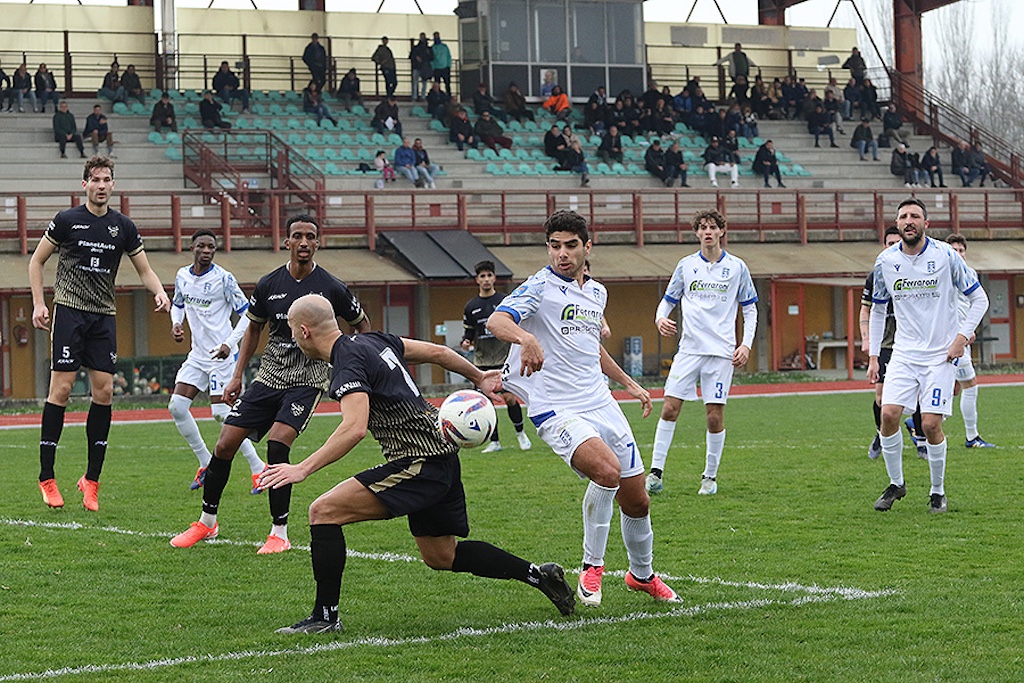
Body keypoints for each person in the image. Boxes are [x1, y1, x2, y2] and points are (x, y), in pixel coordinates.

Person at [259, 294, 575, 634]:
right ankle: (539, 575)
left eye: (291, 331)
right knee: (442, 556)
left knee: (323, 511)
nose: (292, 337)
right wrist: (479, 376)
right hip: (441, 456)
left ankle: (325, 616)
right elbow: (438, 353)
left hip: (419, 462)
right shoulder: (373, 340)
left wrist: (301, 468)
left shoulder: (347, 361)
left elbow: (354, 428)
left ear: (304, 331)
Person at [486, 210, 681, 608]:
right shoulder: (538, 287)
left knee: (638, 499)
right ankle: (592, 566)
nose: (562, 254)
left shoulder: (597, 293)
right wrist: (525, 337)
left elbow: (591, 349)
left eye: (570, 246)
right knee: (606, 472)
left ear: (586, 248)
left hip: (600, 402)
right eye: (555, 246)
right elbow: (497, 319)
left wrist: (629, 384)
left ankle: (641, 576)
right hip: (556, 408)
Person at [170, 214, 371, 553]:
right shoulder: (269, 284)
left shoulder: (332, 286)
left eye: (310, 236)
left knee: (278, 444)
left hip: (308, 377)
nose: (304, 242)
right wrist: (237, 375)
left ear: (318, 243)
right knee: (224, 446)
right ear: (287, 242)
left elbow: (362, 325)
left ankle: (279, 532)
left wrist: (353, 366)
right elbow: (253, 329)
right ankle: (207, 523)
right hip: (269, 374)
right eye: (297, 236)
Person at [30, 156, 171, 511]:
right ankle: (47, 477)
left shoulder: (122, 226)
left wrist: (159, 291)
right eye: (95, 179)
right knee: (61, 390)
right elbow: (36, 261)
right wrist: (38, 303)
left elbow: (145, 269)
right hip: (69, 311)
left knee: (104, 392)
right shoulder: (67, 221)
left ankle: (91, 481)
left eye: (107, 179)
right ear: (84, 185)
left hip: (103, 316)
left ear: (113, 184)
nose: (102, 185)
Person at [867, 198, 989, 514]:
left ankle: (937, 491)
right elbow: (878, 311)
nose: (909, 221)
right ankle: (896, 484)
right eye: (903, 216)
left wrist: (961, 339)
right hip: (904, 354)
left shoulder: (946, 256)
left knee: (931, 423)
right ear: (897, 224)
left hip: (939, 357)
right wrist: (873, 356)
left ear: (926, 223)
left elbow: (979, 299)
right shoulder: (885, 262)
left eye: (915, 216)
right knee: (888, 415)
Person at [645, 209, 758, 496]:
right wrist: (660, 319)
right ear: (696, 233)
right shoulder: (685, 266)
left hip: (721, 353)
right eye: (703, 227)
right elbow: (667, 300)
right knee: (670, 408)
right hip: (689, 350)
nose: (708, 232)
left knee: (713, 417)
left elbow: (750, 308)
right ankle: (655, 473)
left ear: (722, 231)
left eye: (713, 227)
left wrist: (745, 343)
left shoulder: (737, 267)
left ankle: (709, 477)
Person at [169, 229, 267, 493]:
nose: (207, 250)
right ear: (192, 248)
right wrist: (176, 324)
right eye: (201, 246)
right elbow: (177, 304)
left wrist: (229, 343)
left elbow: (248, 314)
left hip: (221, 356)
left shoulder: (223, 279)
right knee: (177, 406)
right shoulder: (182, 276)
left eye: (211, 247)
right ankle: (204, 463)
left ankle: (258, 468)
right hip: (198, 355)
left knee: (222, 413)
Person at [461, 260, 531, 454]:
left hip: (504, 358)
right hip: (482, 361)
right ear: (477, 280)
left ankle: (521, 434)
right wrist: (466, 342)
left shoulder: (504, 301)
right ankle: (495, 441)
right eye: (482, 276)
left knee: (509, 398)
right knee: (486, 403)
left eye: (489, 275)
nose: (486, 279)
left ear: (494, 278)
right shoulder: (471, 306)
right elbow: (468, 333)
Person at [945, 234, 996, 449]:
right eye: (954, 250)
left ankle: (917, 422)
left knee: (954, 388)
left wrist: (970, 329)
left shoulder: (970, 273)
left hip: (963, 337)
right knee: (970, 385)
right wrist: (962, 332)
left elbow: (972, 305)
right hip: (954, 340)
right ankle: (972, 437)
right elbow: (950, 309)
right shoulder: (945, 275)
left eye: (961, 250)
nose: (958, 254)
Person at [859, 226, 905, 460]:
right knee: (881, 397)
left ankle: (920, 439)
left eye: (898, 243)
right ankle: (881, 434)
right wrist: (867, 339)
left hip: (911, 344)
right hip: (886, 344)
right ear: (884, 246)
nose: (894, 247)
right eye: (890, 243)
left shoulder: (913, 272)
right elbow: (866, 311)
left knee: (915, 400)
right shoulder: (876, 275)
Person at [409, 32, 433, 101]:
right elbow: (432, 58)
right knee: (422, 83)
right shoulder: (428, 49)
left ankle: (415, 96)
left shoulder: (416, 48)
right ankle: (421, 96)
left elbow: (411, 56)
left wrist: (416, 58)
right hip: (423, 67)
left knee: (416, 82)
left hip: (419, 67)